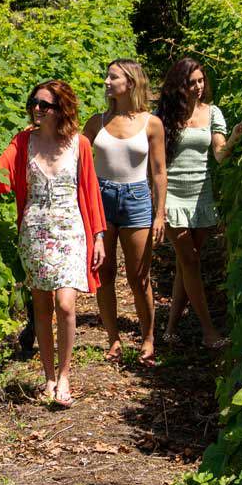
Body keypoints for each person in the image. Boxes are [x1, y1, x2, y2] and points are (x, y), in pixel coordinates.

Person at [0, 80, 106, 407]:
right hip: (35, 231)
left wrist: (99, 236)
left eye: (44, 104)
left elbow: (91, 191)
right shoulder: (23, 141)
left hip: (70, 230)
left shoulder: (79, 144)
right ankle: (49, 377)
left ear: (60, 108)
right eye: (34, 102)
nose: (37, 108)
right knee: (42, 307)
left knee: (65, 305)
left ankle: (65, 376)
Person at [84, 60, 167, 366]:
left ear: (130, 83)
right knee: (104, 274)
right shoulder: (97, 122)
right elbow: (79, 160)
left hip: (136, 198)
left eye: (113, 77)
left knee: (139, 277)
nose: (106, 81)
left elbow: (159, 172)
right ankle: (113, 338)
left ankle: (148, 337)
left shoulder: (151, 123)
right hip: (102, 198)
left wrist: (160, 213)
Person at [155, 56, 238, 350]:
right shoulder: (163, 116)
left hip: (201, 194)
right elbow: (157, 162)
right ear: (179, 86)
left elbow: (218, 154)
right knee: (190, 261)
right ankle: (208, 331)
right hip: (173, 195)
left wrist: (234, 140)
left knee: (186, 264)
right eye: (192, 83)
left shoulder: (212, 113)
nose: (198, 87)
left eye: (201, 81)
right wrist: (158, 202)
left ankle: (170, 329)